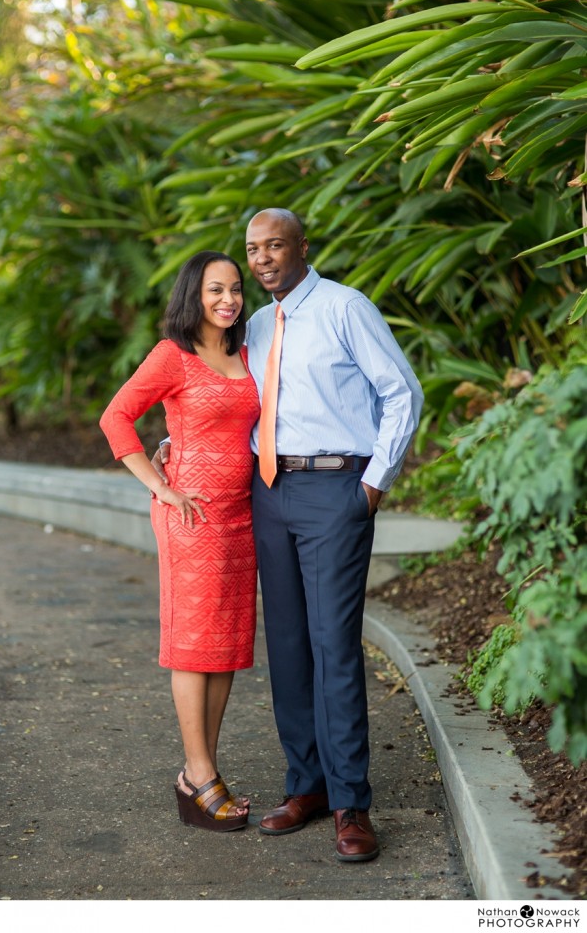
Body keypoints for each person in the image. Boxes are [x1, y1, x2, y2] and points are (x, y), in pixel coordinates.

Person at [158, 208, 424, 862]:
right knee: (288, 646)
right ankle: (303, 786)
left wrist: (373, 483)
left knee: (334, 645)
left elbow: (402, 391)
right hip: (267, 495)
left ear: (302, 247)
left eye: (275, 245)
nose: (263, 258)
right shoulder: (247, 326)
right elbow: (229, 401)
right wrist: (178, 442)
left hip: (336, 490)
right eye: (253, 249)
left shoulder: (344, 308)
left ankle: (349, 803)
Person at [99, 251, 260, 833]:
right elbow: (116, 417)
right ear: (194, 293)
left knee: (226, 646)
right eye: (216, 289)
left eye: (236, 289)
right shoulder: (174, 355)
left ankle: (202, 772)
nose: (228, 300)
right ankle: (198, 774)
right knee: (195, 645)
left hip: (242, 516)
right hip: (191, 517)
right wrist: (159, 485)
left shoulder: (244, 352)